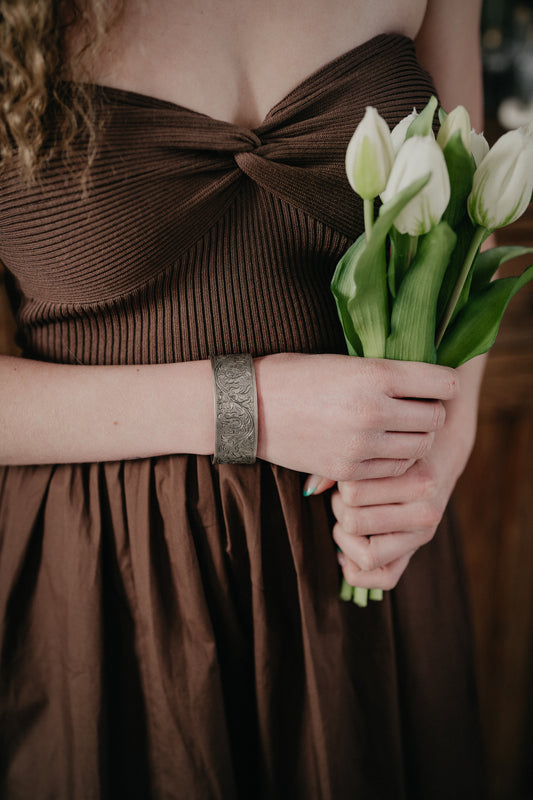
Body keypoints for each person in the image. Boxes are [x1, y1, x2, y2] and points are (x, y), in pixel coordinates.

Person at [0, 0, 487, 797]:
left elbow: (467, 220)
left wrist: (437, 464)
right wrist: (247, 406)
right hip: (111, 579)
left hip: (367, 548)